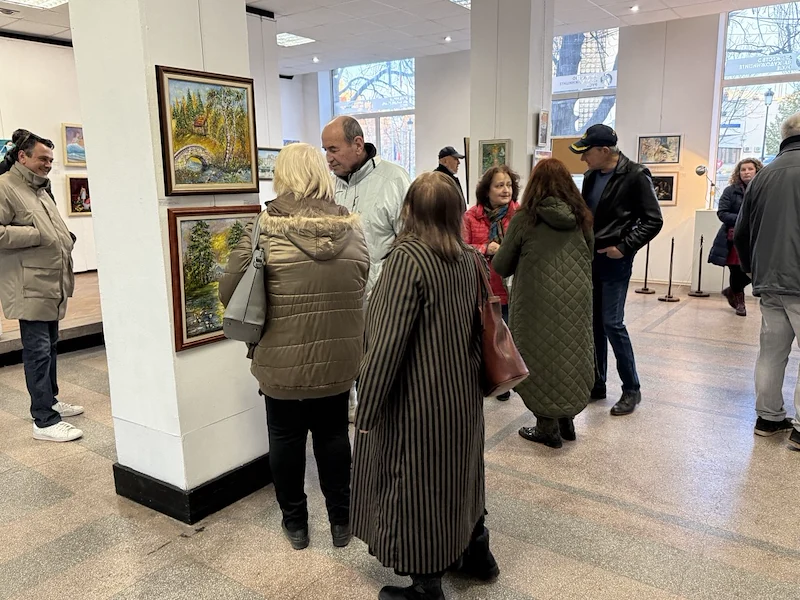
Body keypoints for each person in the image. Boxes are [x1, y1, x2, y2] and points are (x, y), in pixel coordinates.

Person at [351, 172, 498, 600]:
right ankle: (477, 554)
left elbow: (385, 344)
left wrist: (366, 409)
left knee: (417, 486)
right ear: (456, 213)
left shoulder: (408, 259)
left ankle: (426, 585)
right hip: (462, 395)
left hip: (417, 402)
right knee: (463, 475)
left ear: (409, 210)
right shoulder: (470, 259)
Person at [219, 142, 370, 549]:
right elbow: (362, 282)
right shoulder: (352, 228)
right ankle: (342, 521)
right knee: (334, 436)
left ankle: (296, 524)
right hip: (339, 359)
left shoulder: (263, 227)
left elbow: (230, 290)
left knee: (285, 438)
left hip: (279, 359)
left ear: (282, 176)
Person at [493, 158, 594, 448]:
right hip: (576, 297)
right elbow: (590, 255)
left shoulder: (526, 218)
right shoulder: (581, 217)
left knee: (539, 355)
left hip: (535, 299)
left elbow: (502, 265)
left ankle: (547, 427)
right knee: (571, 353)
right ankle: (567, 421)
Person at [321, 116, 411, 421]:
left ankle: (381, 417)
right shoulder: (328, 186)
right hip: (338, 300)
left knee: (380, 370)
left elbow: (409, 242)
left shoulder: (395, 180)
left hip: (382, 299)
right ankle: (349, 411)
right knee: (344, 365)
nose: (328, 158)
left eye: (333, 149)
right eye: (325, 150)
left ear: (357, 144)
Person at [570, 124, 663, 416]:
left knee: (612, 323)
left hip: (615, 261)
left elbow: (653, 220)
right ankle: (597, 383)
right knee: (595, 324)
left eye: (587, 152)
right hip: (590, 260)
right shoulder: (590, 176)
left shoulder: (635, 175)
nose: (583, 158)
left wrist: (624, 247)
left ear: (604, 150)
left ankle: (631, 389)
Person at [0, 129, 83, 442]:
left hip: (50, 282)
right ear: (22, 156)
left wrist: (65, 238)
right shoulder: (5, 187)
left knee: (50, 346)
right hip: (28, 285)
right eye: (42, 159)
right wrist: (36, 235)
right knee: (37, 352)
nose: (48, 164)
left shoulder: (39, 188)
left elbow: (51, 227)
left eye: (51, 160)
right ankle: (44, 421)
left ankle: (51, 400)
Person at [733, 112, 800, 448]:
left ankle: (768, 418)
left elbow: (741, 230)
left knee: (772, 351)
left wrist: (750, 269)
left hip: (769, 278)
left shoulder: (763, 175)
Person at [462, 165, 519, 401]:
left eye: (509, 185)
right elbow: (462, 248)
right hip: (481, 288)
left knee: (506, 339)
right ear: (487, 190)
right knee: (483, 338)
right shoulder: (470, 216)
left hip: (510, 287)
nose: (506, 190)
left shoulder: (519, 215)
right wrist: (486, 248)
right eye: (499, 185)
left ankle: (506, 379)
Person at [709, 157, 763, 317]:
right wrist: (743, 219)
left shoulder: (763, 189)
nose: (746, 172)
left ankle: (730, 291)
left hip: (757, 237)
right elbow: (722, 213)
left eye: (750, 169)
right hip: (734, 237)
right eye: (743, 169)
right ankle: (740, 302)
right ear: (738, 173)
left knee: (754, 270)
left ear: (757, 171)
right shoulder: (730, 191)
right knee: (736, 270)